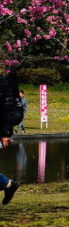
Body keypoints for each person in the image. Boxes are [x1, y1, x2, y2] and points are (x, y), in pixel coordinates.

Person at [0, 75, 22, 204]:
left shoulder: (3, 83)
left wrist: (6, 132)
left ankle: (8, 184)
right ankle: (8, 184)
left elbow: (7, 107)